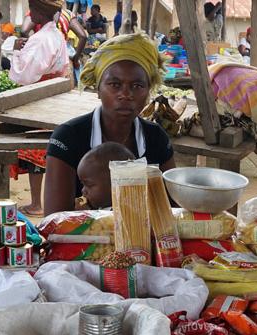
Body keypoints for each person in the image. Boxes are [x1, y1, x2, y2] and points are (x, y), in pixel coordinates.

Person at [43, 33, 175, 215]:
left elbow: (170, 209)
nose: (126, 95)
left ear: (148, 91)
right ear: (98, 89)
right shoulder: (68, 138)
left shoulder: (156, 138)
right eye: (115, 84)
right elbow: (54, 220)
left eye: (137, 86)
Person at [11, 0, 73, 215]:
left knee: (35, 152)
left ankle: (37, 204)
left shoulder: (40, 39)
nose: (30, 13)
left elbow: (25, 75)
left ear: (38, 12)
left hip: (38, 98)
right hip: (53, 97)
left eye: (32, 10)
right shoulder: (56, 36)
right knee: (50, 150)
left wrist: (16, 52)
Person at [76, 142, 134, 210]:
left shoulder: (124, 212)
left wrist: (85, 214)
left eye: (89, 185)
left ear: (115, 183)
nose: (83, 190)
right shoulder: (102, 209)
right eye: (83, 184)